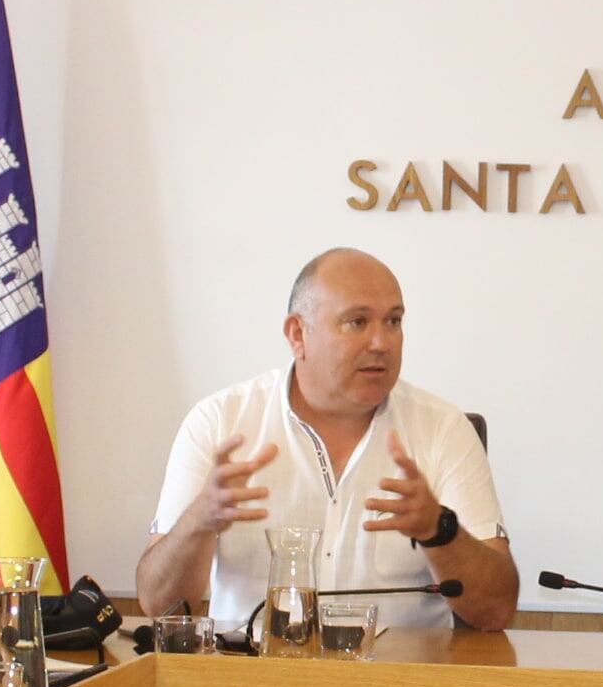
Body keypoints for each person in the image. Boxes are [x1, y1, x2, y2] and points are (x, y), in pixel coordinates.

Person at [141, 249, 516, 635]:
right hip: (249, 682)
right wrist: (198, 522)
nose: (381, 342)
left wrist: (440, 530)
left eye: (393, 321)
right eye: (357, 322)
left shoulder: (442, 429)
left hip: (402, 685)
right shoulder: (220, 423)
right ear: (298, 334)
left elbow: (495, 611)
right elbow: (159, 606)